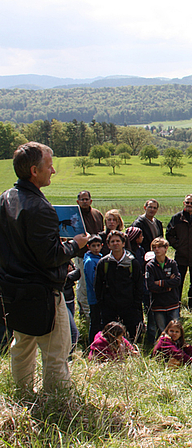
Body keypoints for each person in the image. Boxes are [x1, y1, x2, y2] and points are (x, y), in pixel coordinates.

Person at [0, 142, 89, 394]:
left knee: (21, 346)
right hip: (43, 292)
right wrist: (75, 244)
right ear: (33, 171)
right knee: (57, 351)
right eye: (49, 166)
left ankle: (23, 394)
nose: (53, 171)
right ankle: (57, 402)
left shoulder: (5, 199)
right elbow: (51, 257)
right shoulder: (41, 208)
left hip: (12, 289)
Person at [94, 230, 145, 343]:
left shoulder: (132, 263)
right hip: (110, 306)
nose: (115, 243)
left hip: (129, 305)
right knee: (110, 335)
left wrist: (136, 303)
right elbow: (98, 285)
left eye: (118, 241)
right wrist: (102, 303)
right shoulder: (104, 263)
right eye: (112, 241)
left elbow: (139, 285)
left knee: (132, 334)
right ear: (108, 245)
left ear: (123, 243)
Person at [166, 194, 192, 310]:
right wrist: (178, 246)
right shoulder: (176, 218)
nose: (189, 205)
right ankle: (176, 303)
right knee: (178, 281)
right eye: (187, 202)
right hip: (181, 256)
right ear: (183, 203)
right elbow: (169, 234)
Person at [74, 190, 104, 322]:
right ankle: (85, 312)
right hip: (81, 255)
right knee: (83, 284)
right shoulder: (74, 215)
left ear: (91, 201)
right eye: (82, 199)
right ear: (78, 201)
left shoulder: (97, 214)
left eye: (87, 199)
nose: (85, 201)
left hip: (97, 255)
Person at [145, 237, 181, 337]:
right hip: (158, 304)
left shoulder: (172, 263)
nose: (157, 249)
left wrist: (160, 282)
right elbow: (151, 286)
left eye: (160, 247)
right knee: (162, 331)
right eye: (154, 247)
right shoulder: (150, 266)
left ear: (166, 248)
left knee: (175, 330)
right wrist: (168, 285)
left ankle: (175, 350)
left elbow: (177, 281)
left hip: (172, 303)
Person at [84, 235, 105, 344]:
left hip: (100, 296)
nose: (96, 248)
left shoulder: (100, 257)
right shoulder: (89, 261)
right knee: (95, 321)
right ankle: (91, 344)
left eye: (98, 245)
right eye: (93, 246)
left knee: (99, 321)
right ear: (88, 247)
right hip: (94, 296)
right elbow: (93, 280)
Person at [63, 261, 81, 353]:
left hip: (70, 298)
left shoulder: (67, 257)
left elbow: (77, 273)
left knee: (69, 332)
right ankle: (67, 358)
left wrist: (68, 276)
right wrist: (67, 276)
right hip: (61, 301)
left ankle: (68, 357)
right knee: (73, 333)